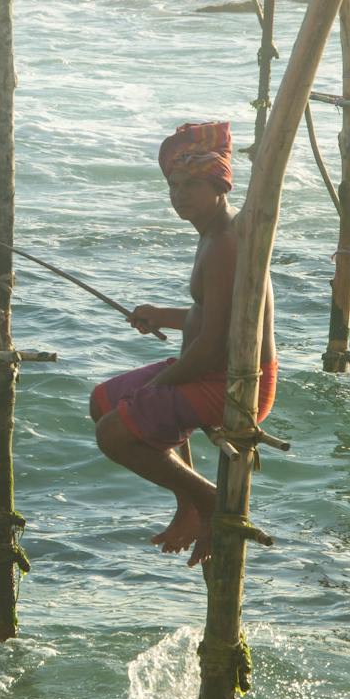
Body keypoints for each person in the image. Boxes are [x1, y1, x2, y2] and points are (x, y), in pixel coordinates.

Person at [89, 121, 276, 568]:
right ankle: (188, 500)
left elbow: (212, 348)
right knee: (102, 400)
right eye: (174, 184)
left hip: (231, 380)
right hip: (207, 368)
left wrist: (159, 387)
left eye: (191, 183)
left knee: (113, 432)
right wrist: (165, 316)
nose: (179, 193)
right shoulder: (212, 234)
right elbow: (210, 316)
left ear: (218, 182)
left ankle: (207, 499)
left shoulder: (225, 244)